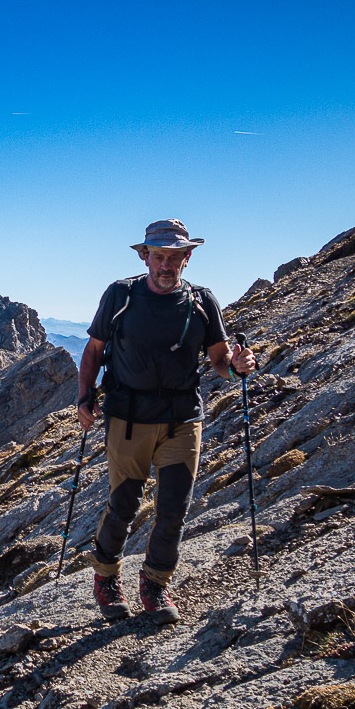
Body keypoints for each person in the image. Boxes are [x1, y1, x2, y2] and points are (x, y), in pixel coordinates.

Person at [76, 219, 256, 624]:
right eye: (159, 256)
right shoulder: (121, 295)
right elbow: (94, 351)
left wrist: (238, 366)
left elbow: (219, 360)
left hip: (182, 419)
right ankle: (106, 576)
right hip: (128, 418)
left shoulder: (202, 301)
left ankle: (155, 584)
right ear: (145, 257)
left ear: (187, 258)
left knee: (174, 507)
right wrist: (85, 396)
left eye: (175, 257)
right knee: (124, 504)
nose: (166, 265)